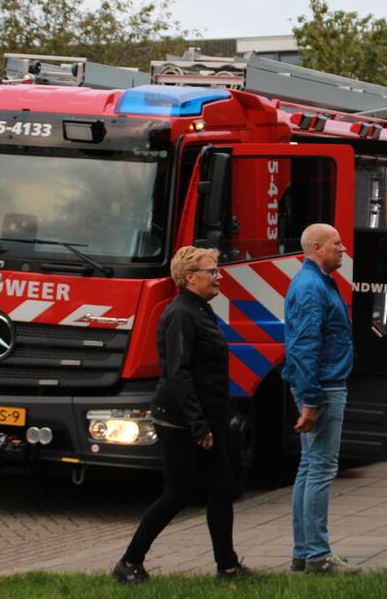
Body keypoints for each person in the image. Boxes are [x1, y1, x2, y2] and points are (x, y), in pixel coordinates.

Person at [113, 246, 251, 584]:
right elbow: (178, 373)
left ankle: (228, 567)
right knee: (177, 494)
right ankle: (129, 564)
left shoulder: (201, 310)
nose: (219, 276)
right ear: (190, 277)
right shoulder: (180, 314)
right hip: (182, 422)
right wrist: (198, 424)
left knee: (221, 487)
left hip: (205, 419)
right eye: (212, 271)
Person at [282, 223, 359, 574]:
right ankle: (317, 554)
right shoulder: (313, 286)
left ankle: (304, 552)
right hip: (324, 387)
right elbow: (305, 346)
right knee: (322, 470)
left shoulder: (314, 281)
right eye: (336, 243)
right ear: (317, 247)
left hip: (319, 384)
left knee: (309, 467)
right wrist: (312, 400)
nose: (342, 249)